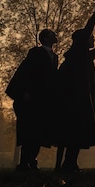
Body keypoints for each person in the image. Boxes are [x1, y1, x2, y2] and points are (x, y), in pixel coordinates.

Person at [55, 0, 95, 172]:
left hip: (75, 99)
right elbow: (88, 31)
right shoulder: (78, 53)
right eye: (91, 38)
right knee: (73, 134)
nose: (92, 39)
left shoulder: (80, 56)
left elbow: (94, 53)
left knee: (72, 136)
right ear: (83, 40)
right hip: (77, 100)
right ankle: (67, 164)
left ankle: (67, 164)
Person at [6, 28, 59, 171]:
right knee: (29, 131)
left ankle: (31, 160)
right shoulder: (36, 53)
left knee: (40, 132)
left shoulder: (54, 57)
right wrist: (25, 91)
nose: (56, 36)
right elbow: (26, 72)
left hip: (44, 101)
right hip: (32, 99)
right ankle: (25, 162)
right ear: (46, 38)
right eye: (53, 34)